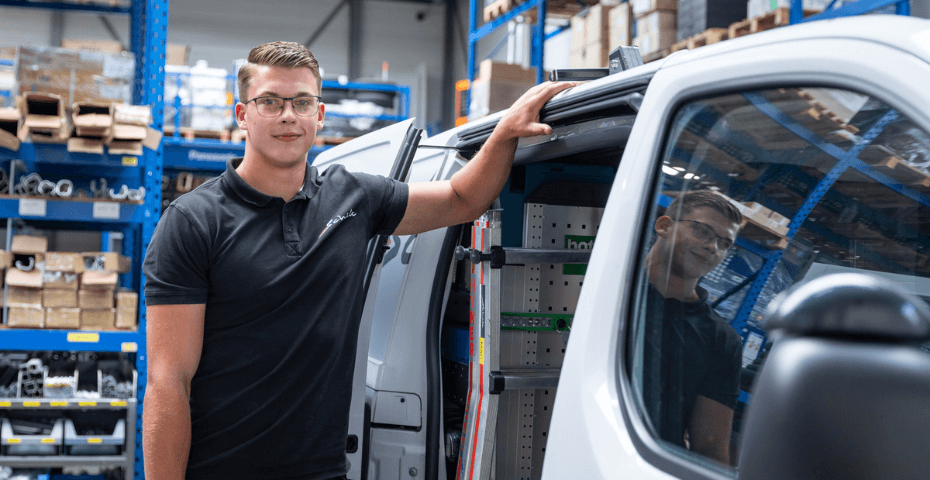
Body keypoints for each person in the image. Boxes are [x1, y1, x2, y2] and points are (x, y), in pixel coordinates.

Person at [141, 41, 573, 480]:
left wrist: (503, 135)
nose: (288, 115)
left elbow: (462, 198)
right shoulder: (193, 222)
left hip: (322, 472)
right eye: (269, 102)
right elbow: (167, 382)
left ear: (319, 115)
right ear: (242, 115)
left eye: (302, 102)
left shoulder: (354, 198)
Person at [640, 189, 744, 464]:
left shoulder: (722, 340)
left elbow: (710, 448)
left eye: (725, 244)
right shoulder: (613, 293)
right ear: (664, 226)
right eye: (703, 232)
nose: (713, 247)